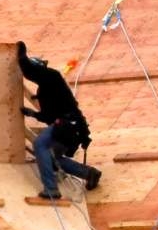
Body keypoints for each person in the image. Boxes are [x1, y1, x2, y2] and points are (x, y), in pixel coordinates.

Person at [17, 41, 101, 200]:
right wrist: (33, 114)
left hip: (68, 125)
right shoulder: (45, 89)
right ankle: (89, 173)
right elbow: (49, 116)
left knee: (40, 144)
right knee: (50, 158)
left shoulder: (52, 76)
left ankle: (51, 189)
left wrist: (21, 56)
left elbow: (30, 71)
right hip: (69, 129)